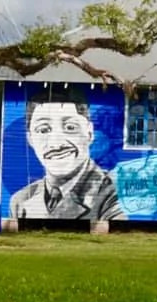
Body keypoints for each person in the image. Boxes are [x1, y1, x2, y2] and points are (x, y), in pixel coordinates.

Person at [9, 86, 123, 220]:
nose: (56, 144)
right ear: (30, 139)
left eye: (70, 127)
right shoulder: (20, 201)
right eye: (43, 130)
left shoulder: (114, 194)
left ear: (89, 133)